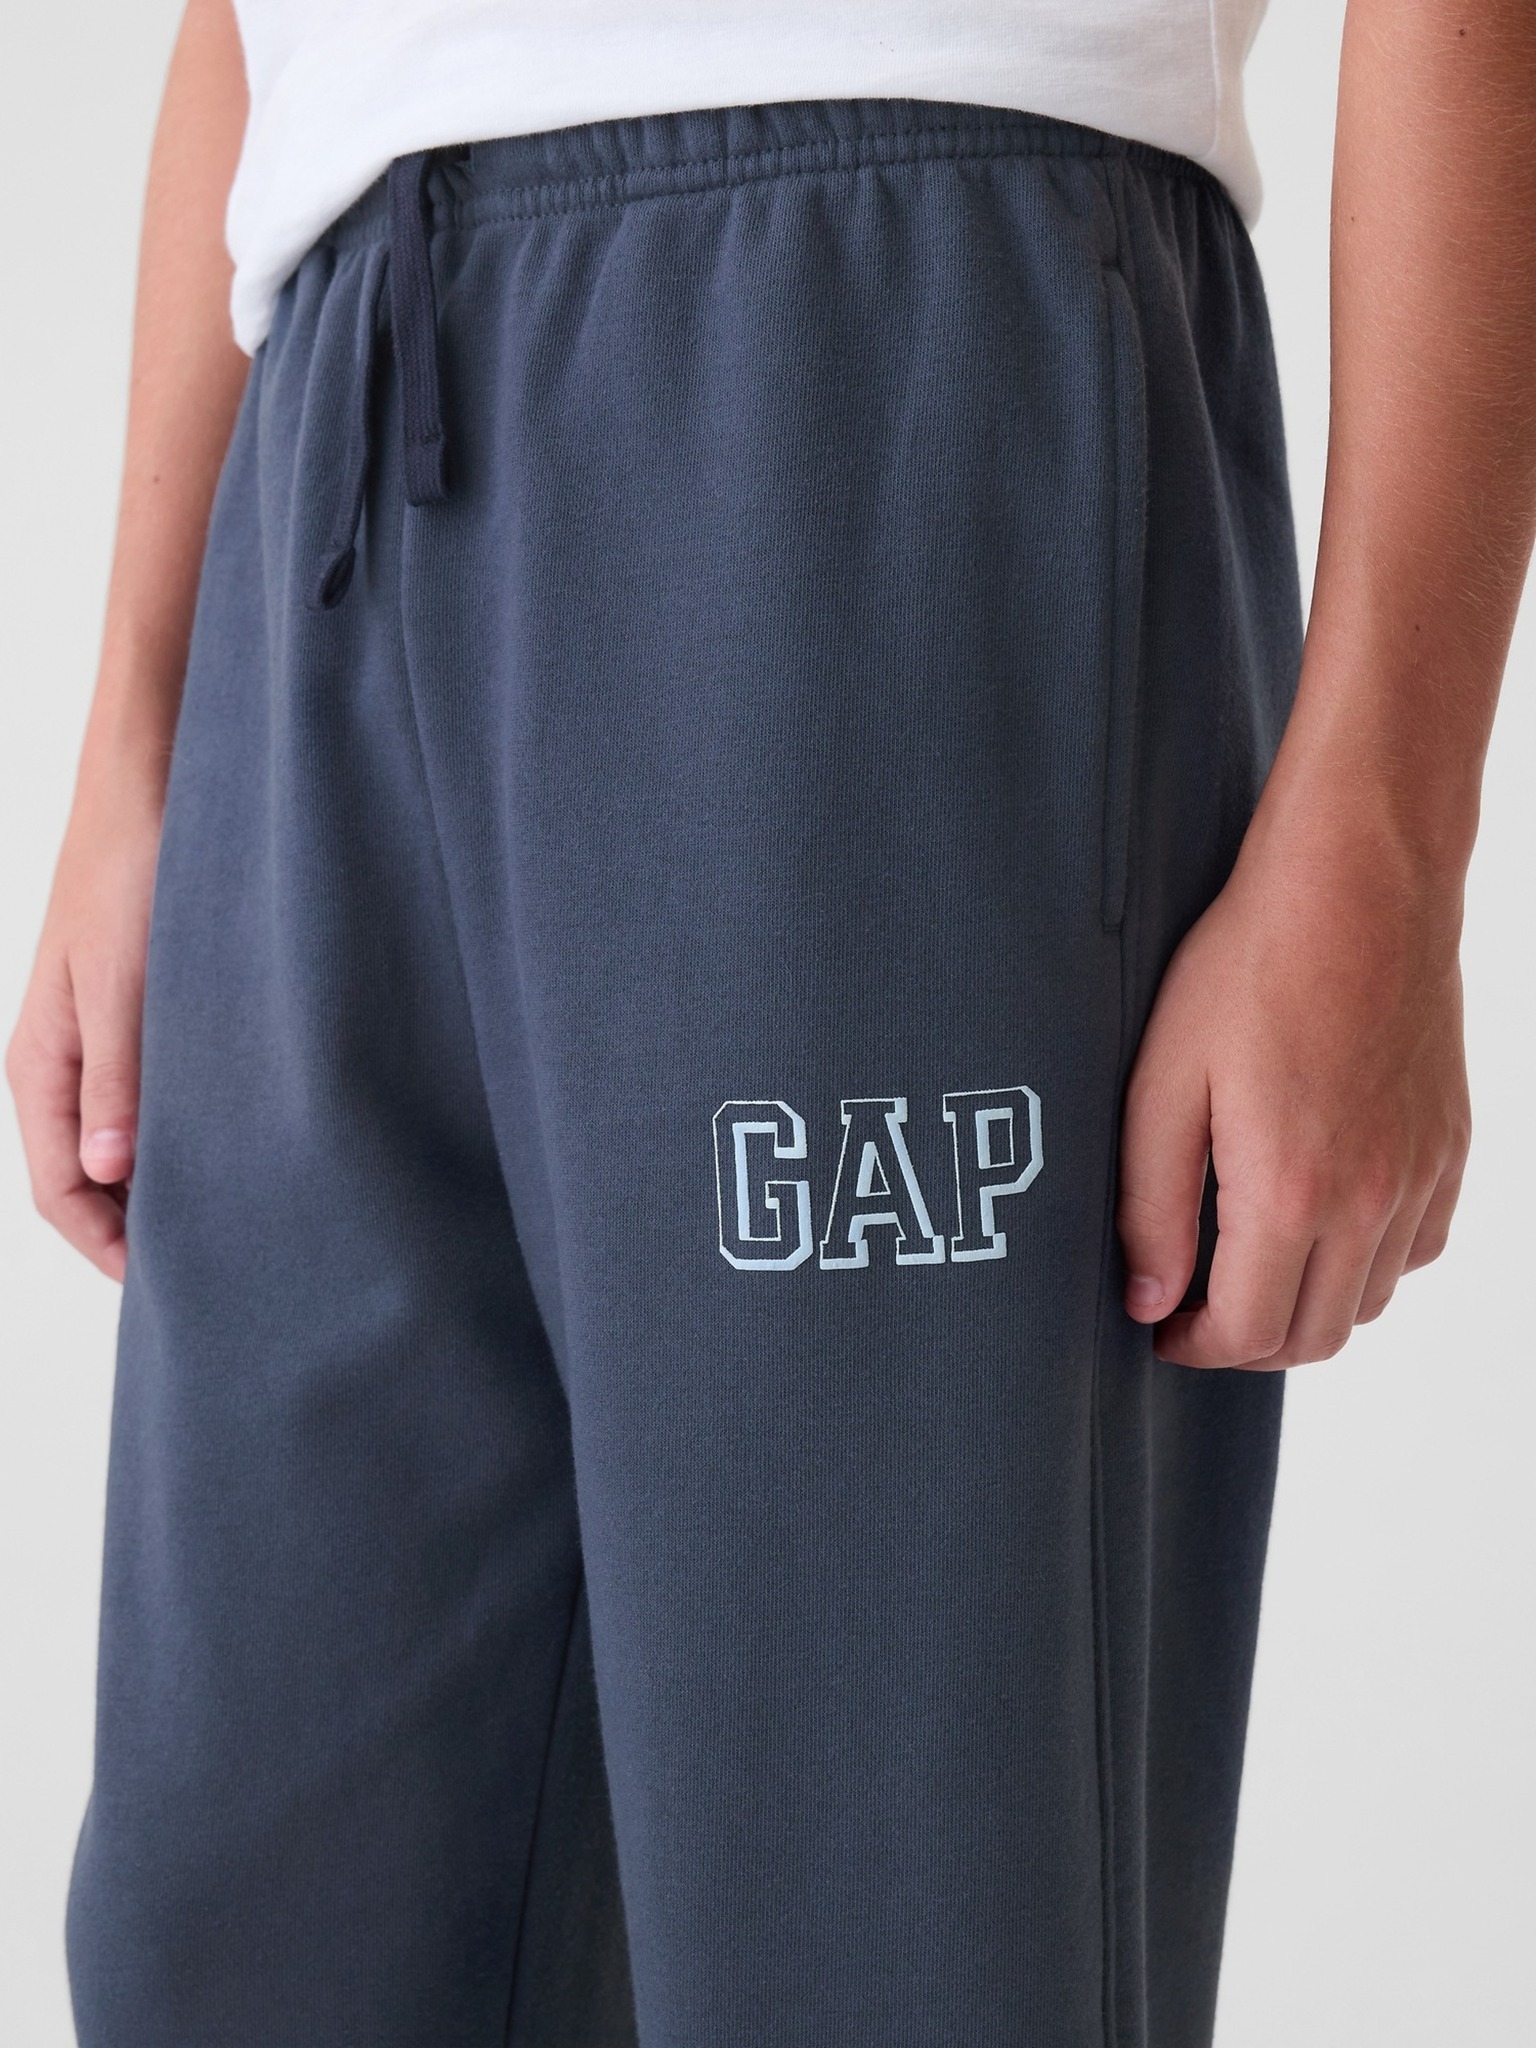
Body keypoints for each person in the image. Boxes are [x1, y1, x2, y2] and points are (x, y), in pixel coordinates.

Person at [8, 1, 1534, 2042]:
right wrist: (139, 727)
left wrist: (1391, 824)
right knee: (249, 1950)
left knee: (884, 1933)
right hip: (329, 444)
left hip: (882, 349)